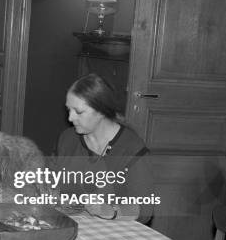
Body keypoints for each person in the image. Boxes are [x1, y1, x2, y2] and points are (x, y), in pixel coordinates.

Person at [52, 73, 154, 223]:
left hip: (116, 232)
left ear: (100, 111)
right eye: (68, 110)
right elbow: (50, 183)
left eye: (78, 112)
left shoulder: (131, 148)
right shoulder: (67, 139)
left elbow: (145, 209)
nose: (70, 118)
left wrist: (110, 210)